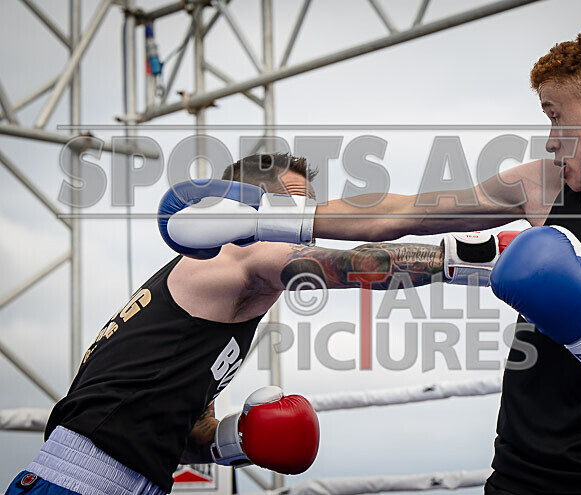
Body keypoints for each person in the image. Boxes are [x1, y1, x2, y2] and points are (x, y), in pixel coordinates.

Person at [174, 27, 581, 494]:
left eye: (555, 116)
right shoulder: (545, 187)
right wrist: (266, 217)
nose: (549, 140)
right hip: (529, 479)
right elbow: (401, 214)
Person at [5, 153, 518, 495]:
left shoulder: (220, 297)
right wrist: (480, 258)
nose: (307, 223)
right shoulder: (234, 260)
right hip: (76, 482)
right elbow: (358, 264)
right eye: (293, 208)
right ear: (241, 212)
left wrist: (233, 439)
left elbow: (183, 433)